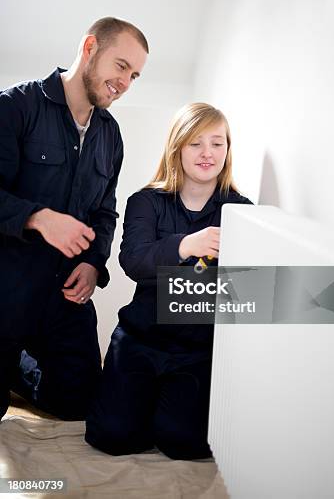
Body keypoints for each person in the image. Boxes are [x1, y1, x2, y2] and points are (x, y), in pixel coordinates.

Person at [0, 17, 148, 421]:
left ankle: (20, 369)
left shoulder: (110, 135)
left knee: (77, 404)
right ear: (89, 49)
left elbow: (105, 212)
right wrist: (39, 218)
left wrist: (92, 263)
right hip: (7, 288)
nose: (125, 83)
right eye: (121, 66)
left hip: (65, 293)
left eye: (134, 75)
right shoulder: (15, 106)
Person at [85, 102, 252, 459]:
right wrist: (186, 246)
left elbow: (240, 290)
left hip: (195, 351)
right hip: (139, 339)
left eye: (217, 143)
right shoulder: (146, 201)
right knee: (111, 437)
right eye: (196, 143)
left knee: (185, 444)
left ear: (228, 149)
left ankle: (160, 410)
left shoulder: (241, 212)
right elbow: (133, 262)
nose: (208, 153)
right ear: (177, 147)